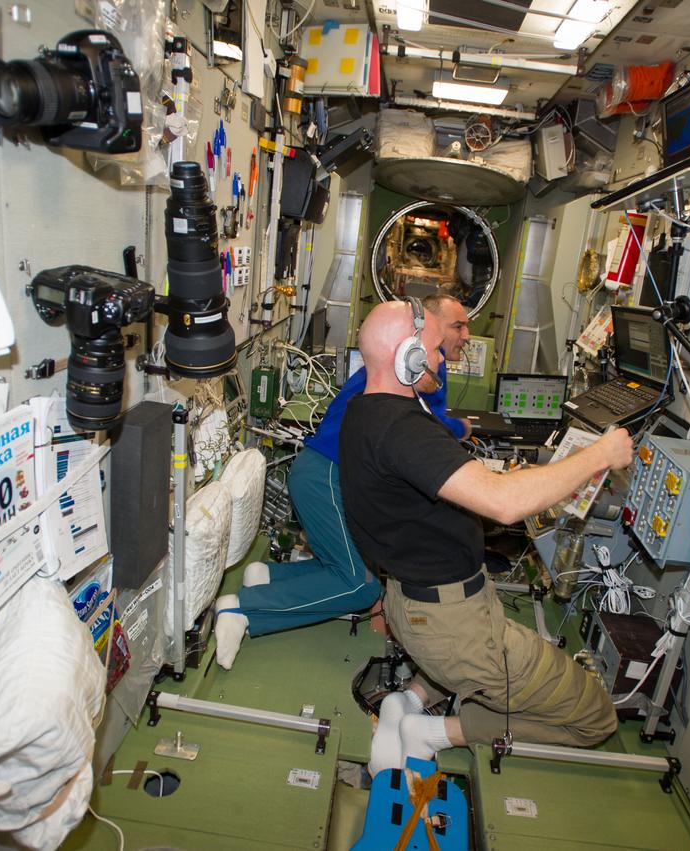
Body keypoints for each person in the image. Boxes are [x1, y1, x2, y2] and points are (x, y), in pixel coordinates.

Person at [337, 300, 635, 776]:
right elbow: (504, 504)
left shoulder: (362, 412)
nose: (441, 360)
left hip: (414, 605)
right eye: (433, 350)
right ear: (407, 355)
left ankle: (408, 701)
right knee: (596, 716)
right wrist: (600, 454)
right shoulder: (401, 428)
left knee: (464, 657)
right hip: (451, 626)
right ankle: (434, 733)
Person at [213, 294, 475, 669]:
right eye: (456, 326)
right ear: (421, 334)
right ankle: (242, 610)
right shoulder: (409, 369)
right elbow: (427, 430)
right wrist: (460, 429)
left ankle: (267, 577)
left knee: (351, 566)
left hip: (327, 471)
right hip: (326, 474)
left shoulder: (419, 368)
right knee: (361, 586)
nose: (466, 335)